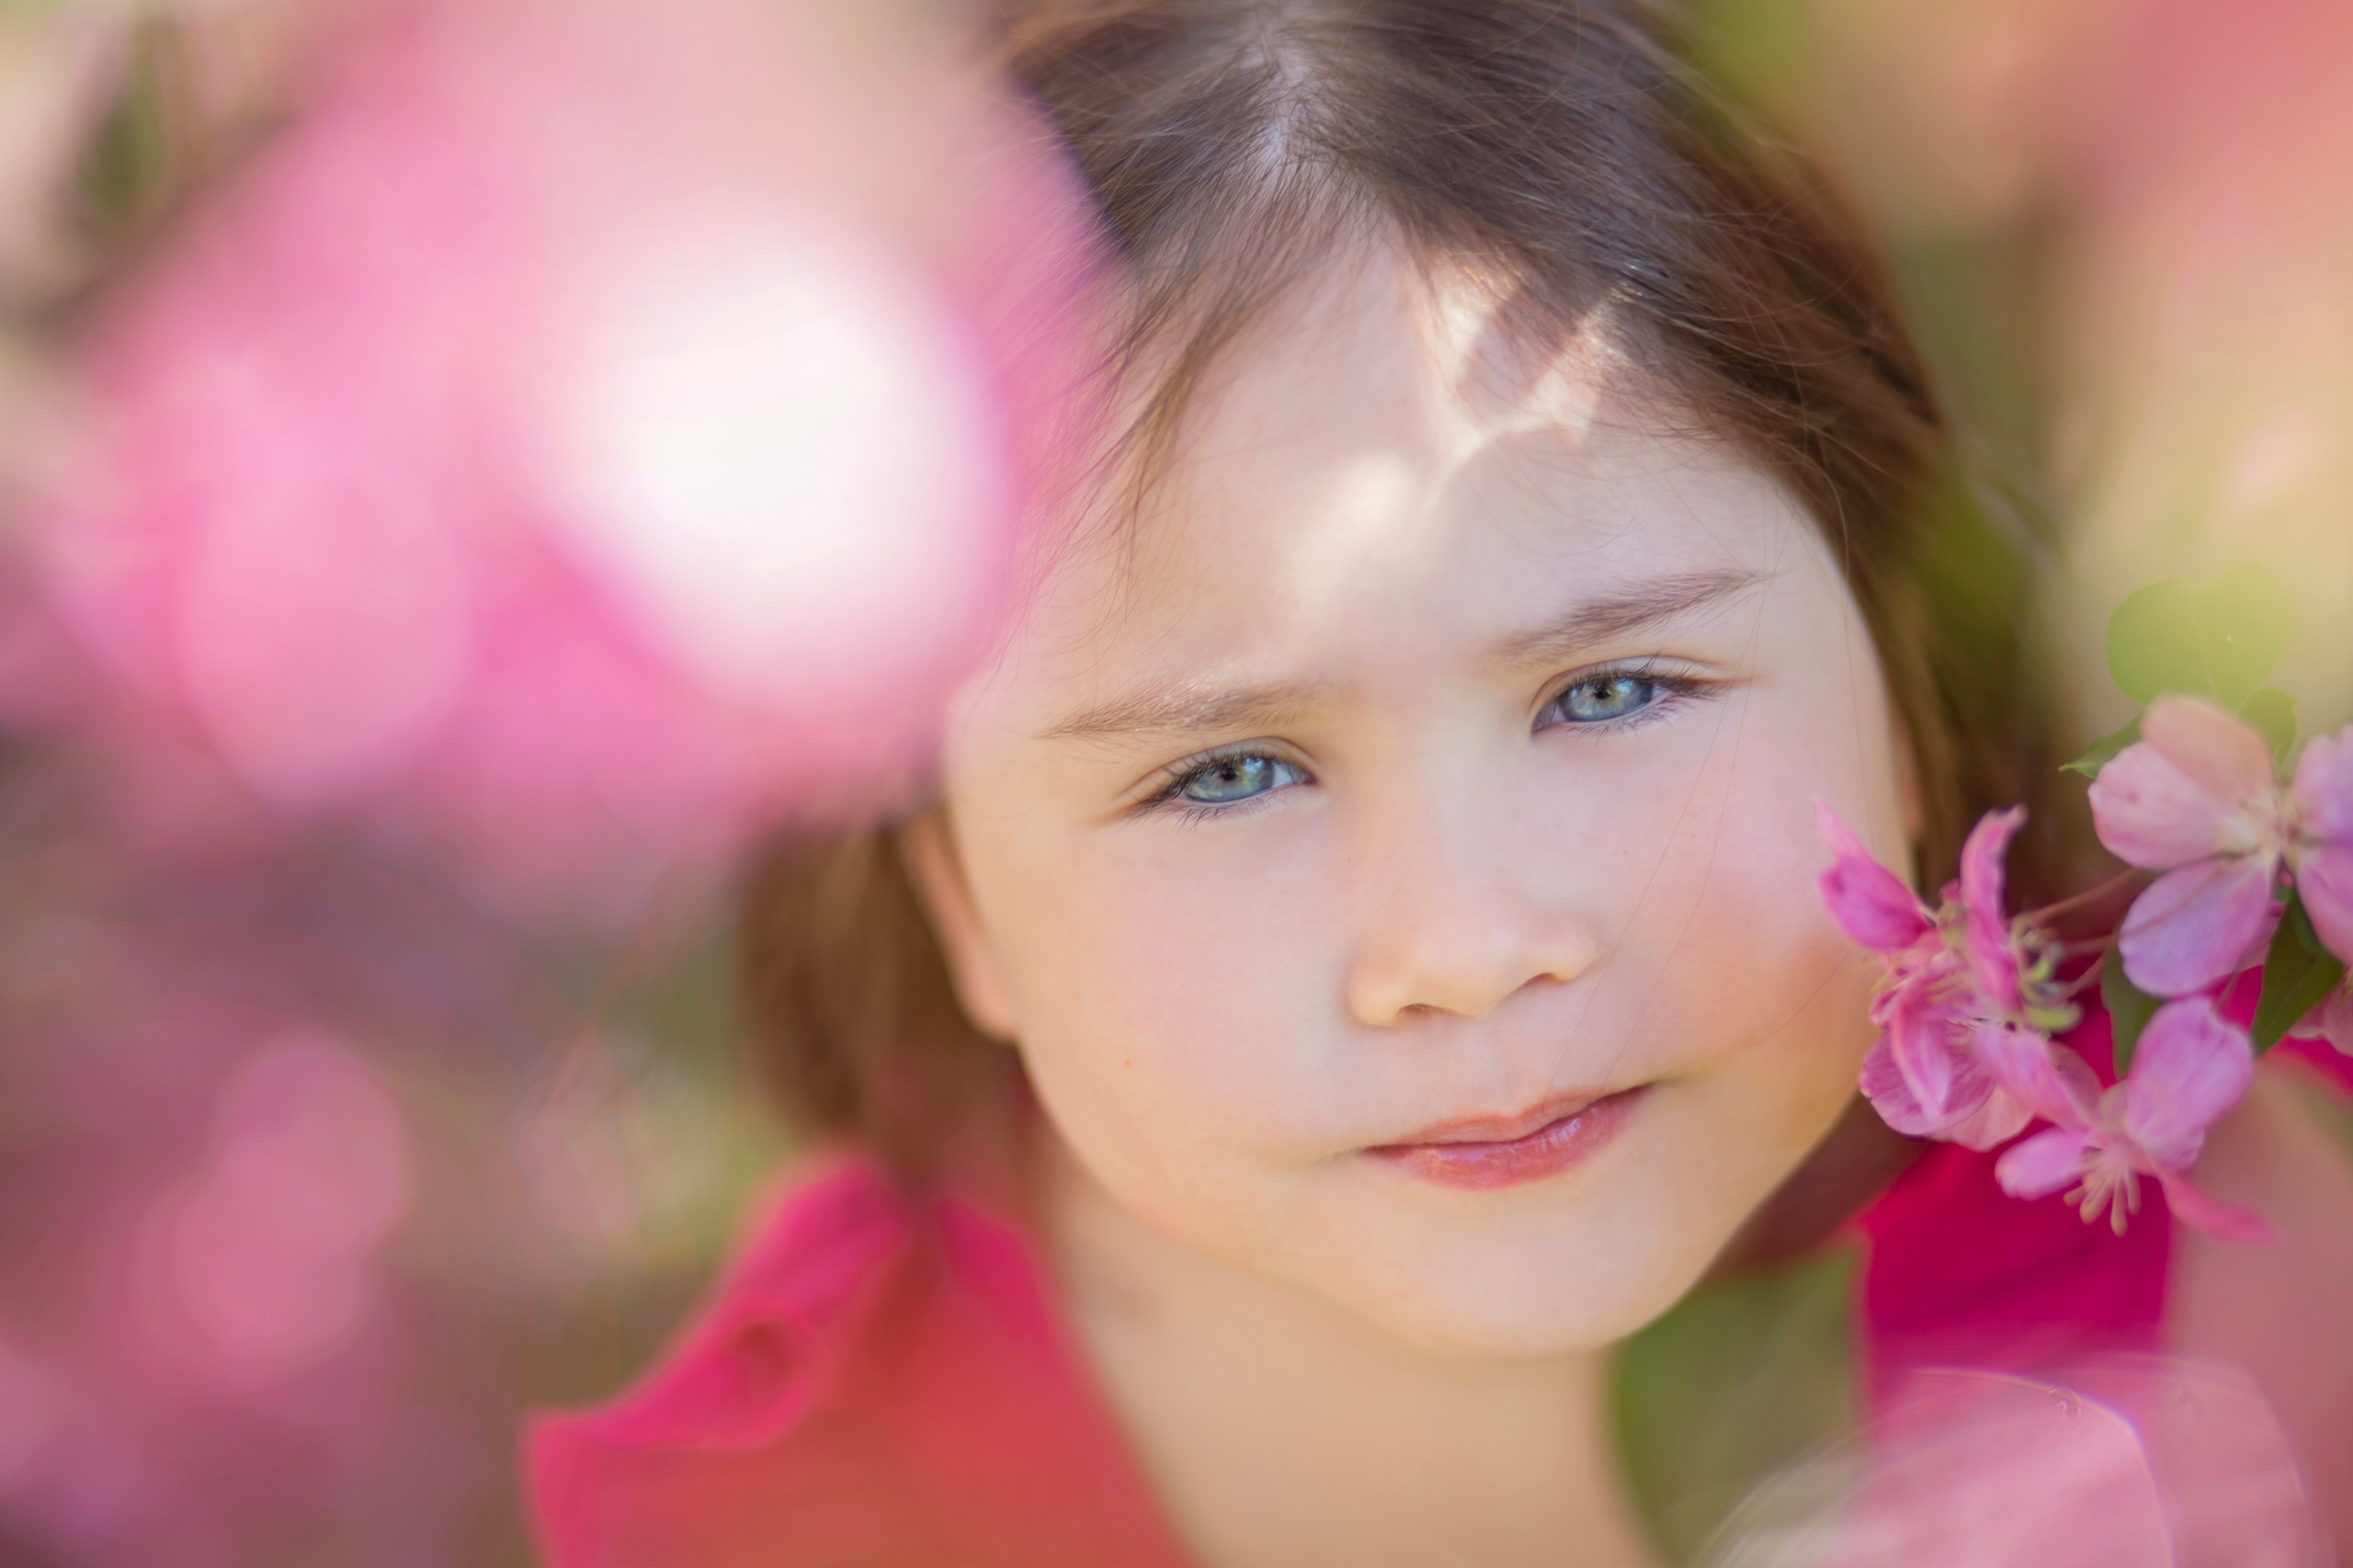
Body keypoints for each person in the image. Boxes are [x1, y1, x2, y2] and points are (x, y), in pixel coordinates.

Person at [527, 3, 2353, 1562]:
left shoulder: (2258, 1217)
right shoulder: (802, 1506)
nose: (1466, 949)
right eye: (1227, 772)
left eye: (1612, 687)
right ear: (944, 886)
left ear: (1898, 652)